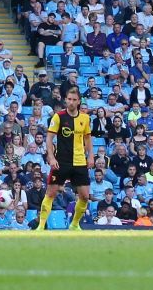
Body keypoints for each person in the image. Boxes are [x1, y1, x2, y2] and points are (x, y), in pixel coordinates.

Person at [36, 87, 93, 231]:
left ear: (79, 101)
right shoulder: (58, 117)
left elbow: (87, 138)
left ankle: (74, 224)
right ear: (65, 100)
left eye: (74, 100)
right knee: (50, 193)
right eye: (69, 99)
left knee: (85, 196)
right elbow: (49, 138)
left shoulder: (85, 118)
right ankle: (41, 226)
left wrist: (91, 156)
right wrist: (51, 156)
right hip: (61, 162)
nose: (71, 102)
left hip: (80, 161)